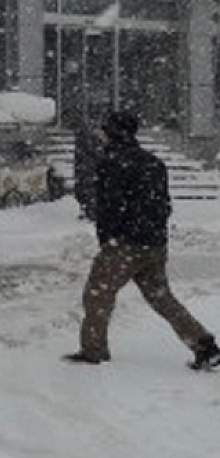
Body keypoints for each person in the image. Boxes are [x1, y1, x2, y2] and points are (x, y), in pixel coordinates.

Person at [67, 109, 220, 370]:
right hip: (155, 243)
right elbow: (164, 203)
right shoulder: (153, 162)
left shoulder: (111, 162)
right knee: (161, 297)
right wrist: (154, 232)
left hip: (124, 245)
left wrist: (108, 237)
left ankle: (94, 350)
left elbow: (109, 206)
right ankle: (203, 344)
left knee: (98, 295)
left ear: (112, 133)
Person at [72, 126, 100, 221]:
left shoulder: (86, 146)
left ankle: (90, 210)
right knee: (85, 191)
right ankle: (89, 210)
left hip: (87, 171)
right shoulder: (86, 146)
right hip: (86, 171)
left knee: (87, 191)